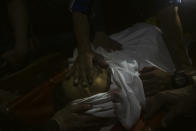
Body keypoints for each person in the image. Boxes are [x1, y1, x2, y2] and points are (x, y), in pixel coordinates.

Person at [68, 0, 196, 129]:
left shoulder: (150, 39)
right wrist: (85, 50)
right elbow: (80, 5)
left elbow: (168, 13)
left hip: (143, 37)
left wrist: (184, 70)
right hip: (114, 40)